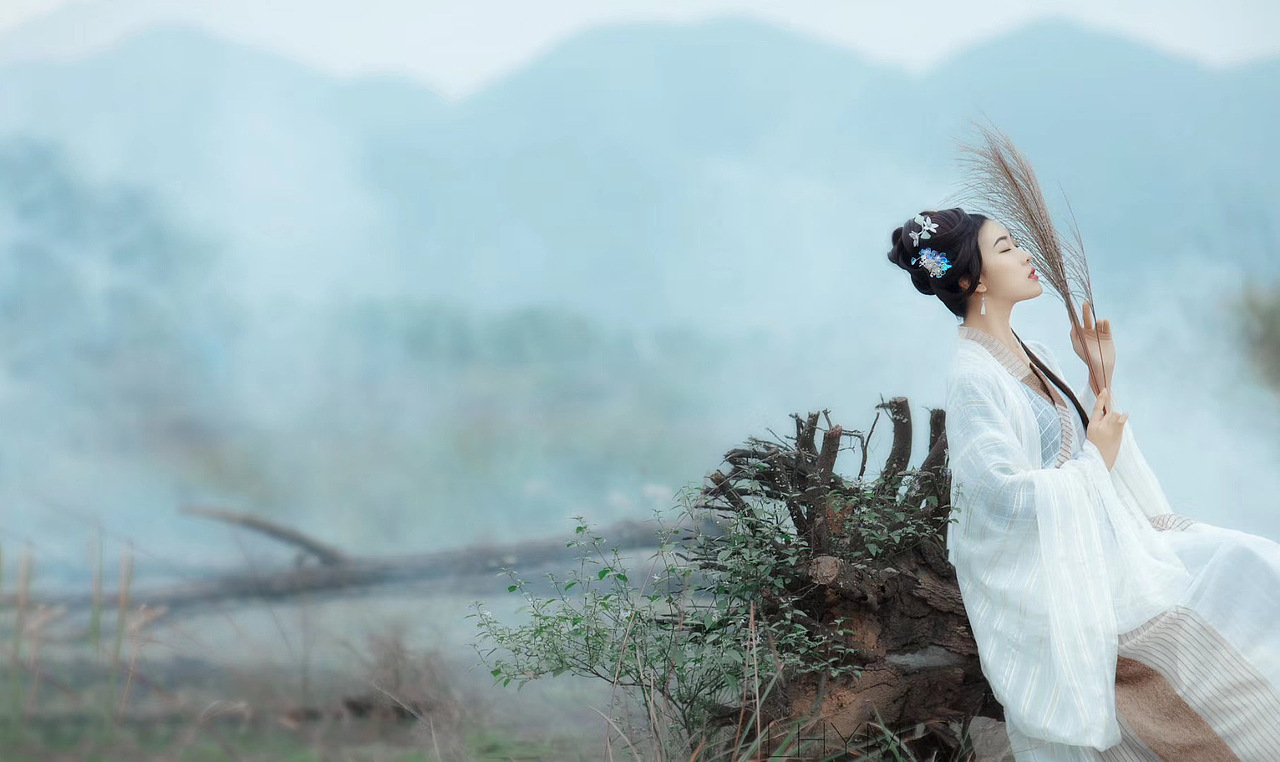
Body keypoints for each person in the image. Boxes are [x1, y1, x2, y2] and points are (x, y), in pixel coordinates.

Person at [888, 207, 1280, 760]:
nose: (1025, 255)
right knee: (1234, 576)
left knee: (1249, 564)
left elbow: (1088, 443)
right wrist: (1096, 458)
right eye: (1006, 248)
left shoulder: (1035, 353)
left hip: (1104, 544)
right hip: (1065, 576)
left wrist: (1099, 376)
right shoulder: (974, 378)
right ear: (973, 280)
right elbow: (1003, 499)